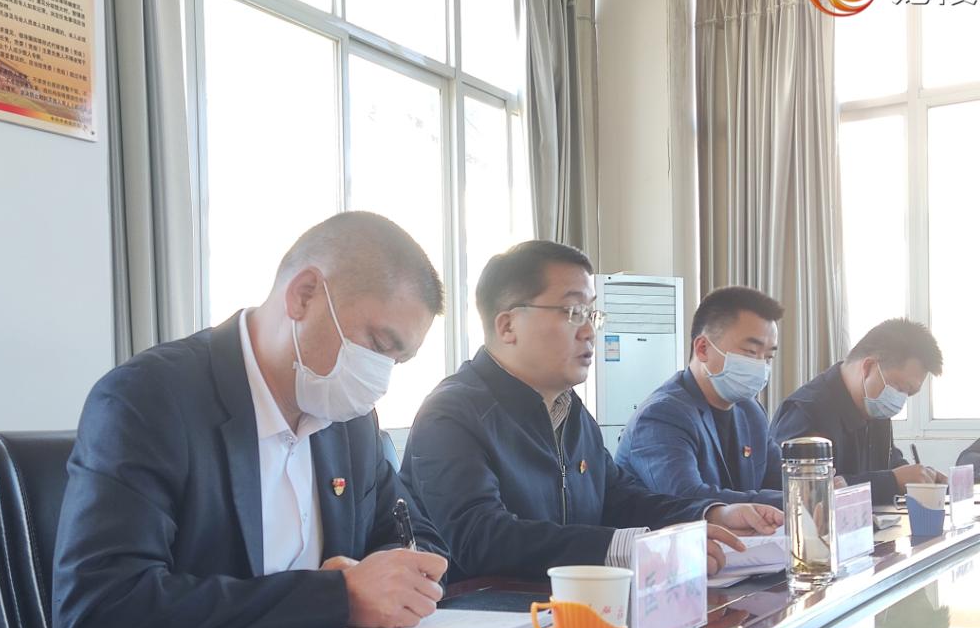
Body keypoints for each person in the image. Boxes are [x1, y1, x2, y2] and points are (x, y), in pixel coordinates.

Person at [47, 212, 449, 628]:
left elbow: (418, 541)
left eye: (398, 360)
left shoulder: (349, 420)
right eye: (377, 345)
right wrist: (333, 597)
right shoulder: (148, 399)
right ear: (304, 295)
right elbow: (99, 615)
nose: (380, 376)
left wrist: (390, 578)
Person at [400, 240, 783, 582]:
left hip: (573, 609)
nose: (589, 332)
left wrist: (711, 515)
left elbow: (620, 499)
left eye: (591, 314)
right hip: (487, 622)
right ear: (507, 326)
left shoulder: (570, 411)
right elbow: (481, 539)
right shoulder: (452, 414)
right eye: (572, 313)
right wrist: (627, 548)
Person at [615, 286, 784, 508]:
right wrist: (792, 500)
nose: (761, 366)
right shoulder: (662, 415)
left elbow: (780, 482)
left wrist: (811, 490)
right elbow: (688, 498)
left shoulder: (751, 411)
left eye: (768, 357)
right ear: (703, 348)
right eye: (751, 352)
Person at [770, 318, 944, 505]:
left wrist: (922, 478)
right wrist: (891, 482)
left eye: (908, 394)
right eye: (900, 388)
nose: (900, 400)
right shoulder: (806, 412)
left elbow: (890, 466)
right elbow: (803, 496)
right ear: (868, 367)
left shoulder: (875, 408)